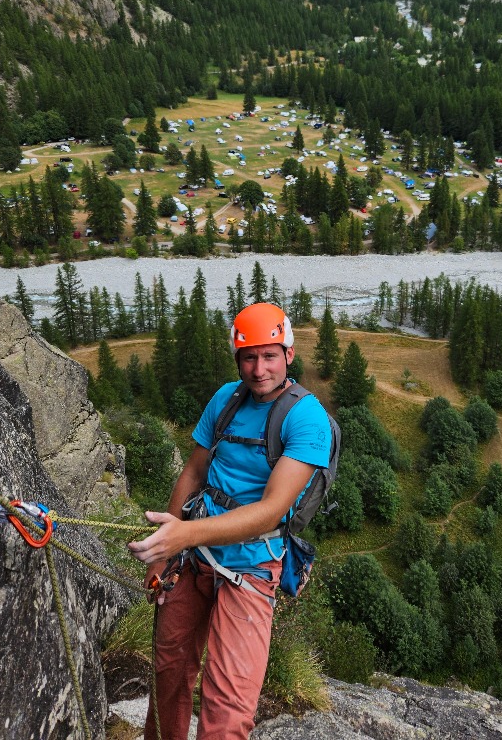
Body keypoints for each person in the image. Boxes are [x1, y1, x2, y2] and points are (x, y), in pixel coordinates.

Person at [128, 302, 332, 740]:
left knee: (228, 709)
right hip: (193, 557)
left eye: (269, 356)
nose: (259, 370)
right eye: (249, 357)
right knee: (169, 670)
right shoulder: (226, 399)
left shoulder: (306, 418)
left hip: (251, 566)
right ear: (238, 359)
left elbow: (271, 510)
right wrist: (164, 554)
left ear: (289, 354)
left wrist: (182, 535)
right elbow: (194, 471)